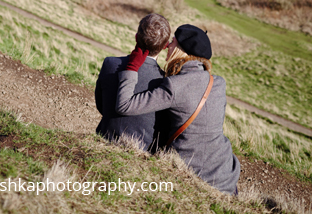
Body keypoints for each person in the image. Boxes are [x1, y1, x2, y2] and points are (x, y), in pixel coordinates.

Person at [115, 24, 240, 195]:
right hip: (227, 172)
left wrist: (132, 68)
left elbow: (125, 105)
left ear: (180, 50)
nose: (167, 45)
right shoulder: (218, 83)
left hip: (198, 175)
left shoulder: (176, 86)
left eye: (172, 42)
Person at [95, 13, 171, 151]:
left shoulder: (110, 64)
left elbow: (101, 105)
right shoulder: (165, 82)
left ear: (136, 37)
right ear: (165, 46)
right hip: (141, 151)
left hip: (104, 138)